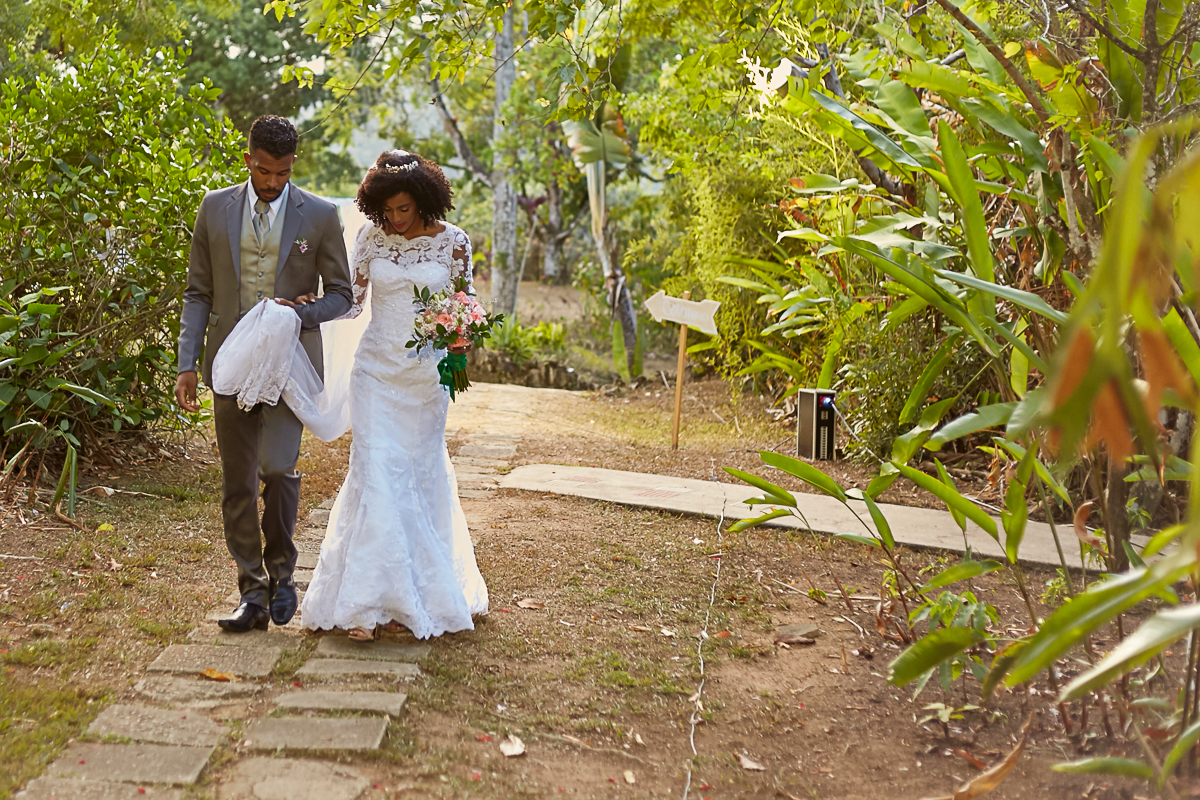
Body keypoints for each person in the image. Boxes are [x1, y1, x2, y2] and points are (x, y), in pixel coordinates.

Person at [299, 149, 489, 641]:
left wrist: (461, 338)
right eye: (386, 210)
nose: (396, 218)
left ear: (424, 199)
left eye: (403, 208)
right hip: (374, 373)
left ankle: (415, 592)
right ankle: (363, 604)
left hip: (424, 379)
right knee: (376, 471)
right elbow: (352, 303)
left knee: (419, 476)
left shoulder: (454, 242)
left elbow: (464, 301)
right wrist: (313, 306)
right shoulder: (370, 238)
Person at [175, 115, 354, 633]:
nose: (273, 182)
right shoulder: (214, 207)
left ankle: (284, 573)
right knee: (237, 483)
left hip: (288, 365)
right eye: (263, 170)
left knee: (277, 468)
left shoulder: (319, 215)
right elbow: (198, 292)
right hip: (228, 362)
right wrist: (187, 363)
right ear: (248, 158)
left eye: (283, 172)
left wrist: (301, 314)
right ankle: (252, 593)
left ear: (293, 164)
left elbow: (342, 295)